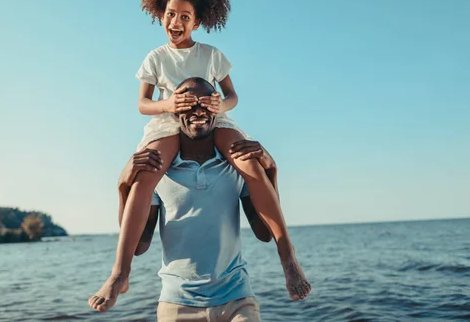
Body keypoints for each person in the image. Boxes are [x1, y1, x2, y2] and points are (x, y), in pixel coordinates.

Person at [90, 0, 310, 309]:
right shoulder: (156, 57)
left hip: (212, 118)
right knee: (145, 174)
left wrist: (221, 104)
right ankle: (120, 272)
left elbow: (233, 95)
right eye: (170, 15)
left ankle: (289, 259)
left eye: (185, 17)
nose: (176, 22)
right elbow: (142, 104)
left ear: (197, 21)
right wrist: (168, 103)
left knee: (249, 162)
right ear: (160, 15)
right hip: (167, 122)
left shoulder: (210, 54)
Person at [89, 77, 311, 320]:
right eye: (189, 104)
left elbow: (264, 232)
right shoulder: (159, 170)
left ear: (217, 110)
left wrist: (271, 170)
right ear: (174, 111)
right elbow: (140, 245)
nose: (199, 111)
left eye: (206, 103)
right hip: (177, 303)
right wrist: (123, 185)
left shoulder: (234, 165)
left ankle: (289, 260)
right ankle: (119, 275)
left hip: (237, 298)